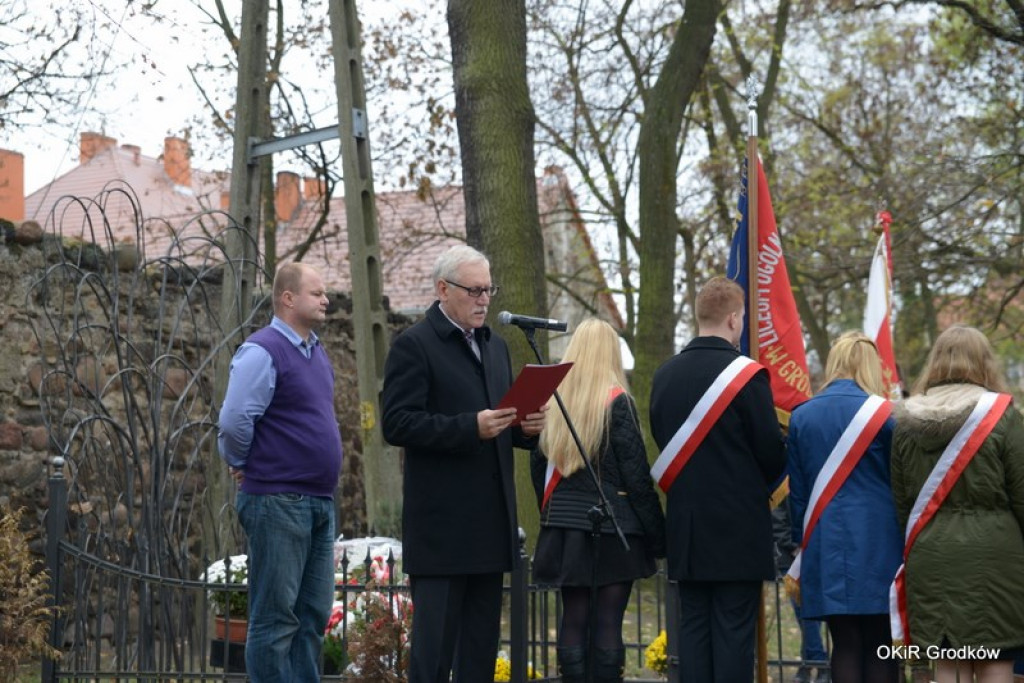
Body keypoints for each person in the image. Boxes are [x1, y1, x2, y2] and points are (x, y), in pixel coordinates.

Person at [381, 244, 548, 683]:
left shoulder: (494, 347)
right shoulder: (413, 345)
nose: (484, 299)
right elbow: (397, 423)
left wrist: (525, 430)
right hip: (442, 533)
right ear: (443, 289)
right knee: (433, 658)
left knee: (479, 656)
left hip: (490, 529)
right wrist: (467, 427)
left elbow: (500, 424)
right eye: (474, 290)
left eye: (488, 289)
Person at [648, 276, 786, 683]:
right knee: (733, 636)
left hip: (688, 528)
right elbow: (770, 452)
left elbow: (662, 438)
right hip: (738, 529)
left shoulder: (665, 375)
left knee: (692, 633)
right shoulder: (748, 376)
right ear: (733, 319)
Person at [217, 262, 343, 682]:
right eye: (316, 293)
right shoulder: (263, 349)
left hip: (319, 503)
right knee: (275, 621)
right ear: (288, 298)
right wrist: (242, 462)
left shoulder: (316, 351)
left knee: (312, 618)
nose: (326, 300)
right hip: (278, 502)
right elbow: (235, 421)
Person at [529, 318, 666, 683]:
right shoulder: (618, 402)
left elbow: (537, 467)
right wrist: (657, 536)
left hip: (565, 529)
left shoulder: (553, 403)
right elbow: (636, 478)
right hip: (613, 526)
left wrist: (554, 514)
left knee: (572, 618)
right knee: (608, 621)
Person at [891, 325, 1024, 683]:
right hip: (996, 558)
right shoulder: (1004, 416)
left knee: (947, 662)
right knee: (995, 659)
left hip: (929, 556)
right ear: (984, 362)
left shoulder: (905, 422)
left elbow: (903, 504)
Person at [785, 332, 902, 683]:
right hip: (880, 539)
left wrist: (799, 542)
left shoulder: (802, 416)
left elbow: (799, 494)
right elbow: (901, 484)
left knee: (845, 643)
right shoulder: (887, 415)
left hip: (825, 539)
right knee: (882, 643)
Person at [772, 498, 830, 683]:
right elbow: (778, 519)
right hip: (792, 556)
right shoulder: (784, 481)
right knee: (804, 613)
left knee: (811, 613)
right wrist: (793, 544)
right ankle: (819, 662)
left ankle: (808, 665)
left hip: (816, 549)